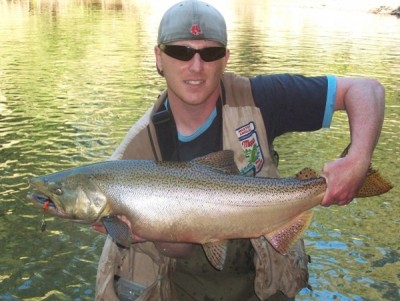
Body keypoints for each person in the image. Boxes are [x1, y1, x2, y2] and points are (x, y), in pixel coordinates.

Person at [93, 0, 385, 300]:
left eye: (210, 53)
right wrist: (153, 233)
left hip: (264, 278)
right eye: (180, 52)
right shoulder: (135, 154)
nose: (196, 66)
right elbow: (179, 249)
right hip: (179, 285)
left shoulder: (259, 98)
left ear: (226, 59)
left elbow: (367, 90)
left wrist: (357, 161)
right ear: (158, 57)